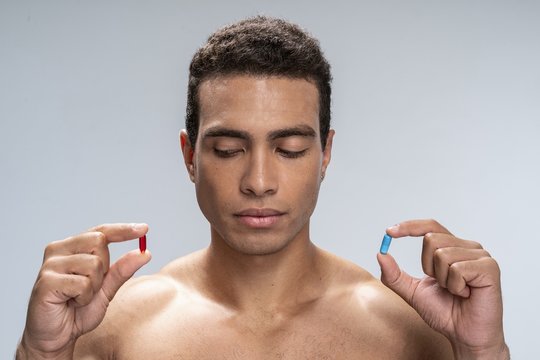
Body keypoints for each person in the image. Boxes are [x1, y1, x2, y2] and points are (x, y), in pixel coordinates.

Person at [16, 16, 510, 359]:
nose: (258, 182)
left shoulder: (411, 332)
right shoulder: (113, 328)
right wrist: (42, 353)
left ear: (326, 154)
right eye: (229, 150)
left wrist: (482, 352)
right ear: (190, 157)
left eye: (290, 149)